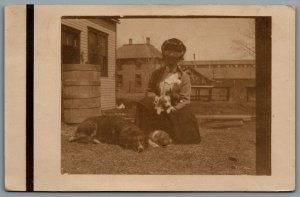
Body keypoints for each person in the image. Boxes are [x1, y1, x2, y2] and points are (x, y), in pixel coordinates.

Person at [135, 38, 201, 144]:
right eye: (168, 58)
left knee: (187, 113)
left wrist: (173, 108)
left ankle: (174, 135)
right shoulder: (156, 74)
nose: (171, 62)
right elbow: (149, 91)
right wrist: (156, 98)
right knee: (143, 103)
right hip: (157, 108)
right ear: (164, 58)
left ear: (179, 59)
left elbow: (185, 100)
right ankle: (143, 134)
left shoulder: (184, 77)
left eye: (174, 59)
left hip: (174, 111)